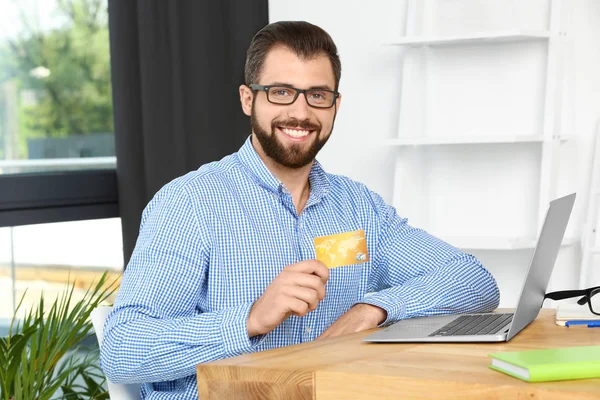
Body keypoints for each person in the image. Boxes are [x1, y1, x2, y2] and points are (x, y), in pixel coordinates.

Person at [100, 21, 500, 399]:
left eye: (317, 95)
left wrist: (374, 308)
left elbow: (473, 280)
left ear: (335, 106)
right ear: (247, 99)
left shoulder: (358, 207)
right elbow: (123, 350)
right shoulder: (189, 205)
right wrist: (249, 320)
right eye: (281, 92)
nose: (301, 112)